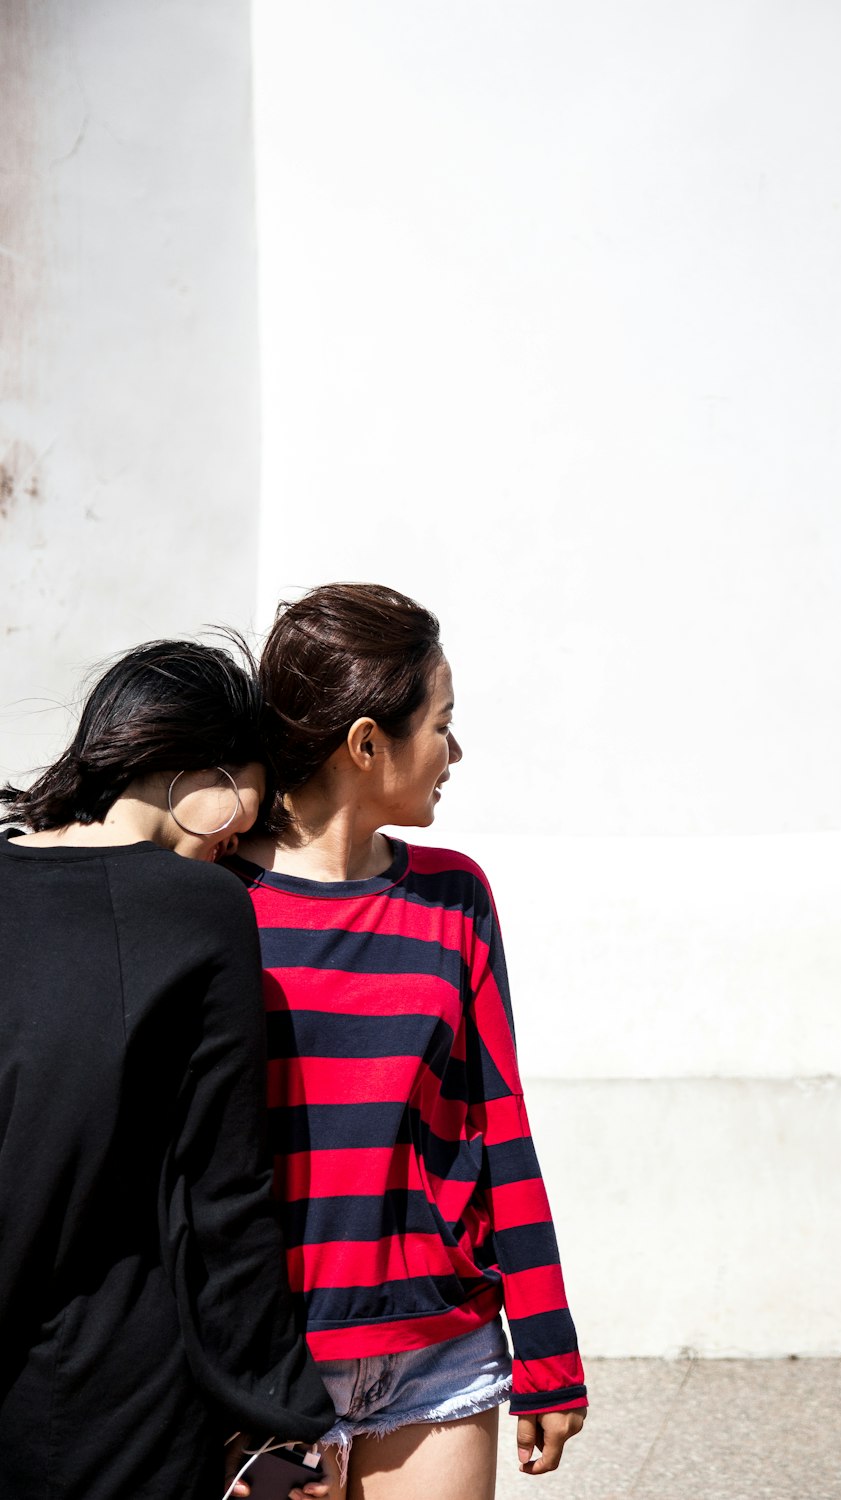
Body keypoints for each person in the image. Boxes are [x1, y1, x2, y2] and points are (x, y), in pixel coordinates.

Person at [229, 584, 587, 1500]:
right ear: (365, 744)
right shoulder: (216, 905)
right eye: (442, 723)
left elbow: (497, 1120)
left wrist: (546, 1344)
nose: (454, 751)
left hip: (444, 1349)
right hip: (262, 1364)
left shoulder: (454, 895)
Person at [0, 640, 335, 1500]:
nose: (253, 833)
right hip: (118, 1386)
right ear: (200, 767)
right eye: (255, 791)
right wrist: (287, 1410)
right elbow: (224, 1189)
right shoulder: (201, 909)